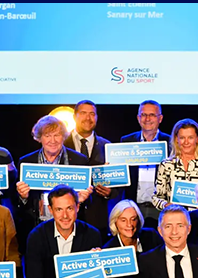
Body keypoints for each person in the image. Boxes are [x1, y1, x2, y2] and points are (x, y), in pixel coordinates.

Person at [14, 115, 93, 255]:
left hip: (70, 229)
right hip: (37, 228)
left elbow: (90, 202)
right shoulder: (26, 162)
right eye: (47, 135)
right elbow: (18, 204)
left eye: (57, 135)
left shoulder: (79, 161)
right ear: (39, 138)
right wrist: (23, 197)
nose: (52, 140)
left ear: (63, 137)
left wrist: (81, 199)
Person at [65, 100, 118, 235]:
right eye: (83, 113)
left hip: (98, 219)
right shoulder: (62, 144)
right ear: (74, 116)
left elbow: (118, 184)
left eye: (92, 114)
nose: (88, 118)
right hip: (68, 217)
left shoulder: (108, 146)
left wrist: (110, 192)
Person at [121, 100, 172, 227]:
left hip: (161, 208)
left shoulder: (171, 142)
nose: (147, 119)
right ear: (138, 118)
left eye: (152, 115)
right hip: (134, 207)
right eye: (143, 115)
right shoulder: (126, 141)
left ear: (160, 118)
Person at [152, 119, 198, 210]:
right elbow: (156, 197)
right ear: (176, 139)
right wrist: (165, 205)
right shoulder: (166, 165)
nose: (186, 142)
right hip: (174, 216)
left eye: (190, 137)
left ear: (197, 139)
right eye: (182, 138)